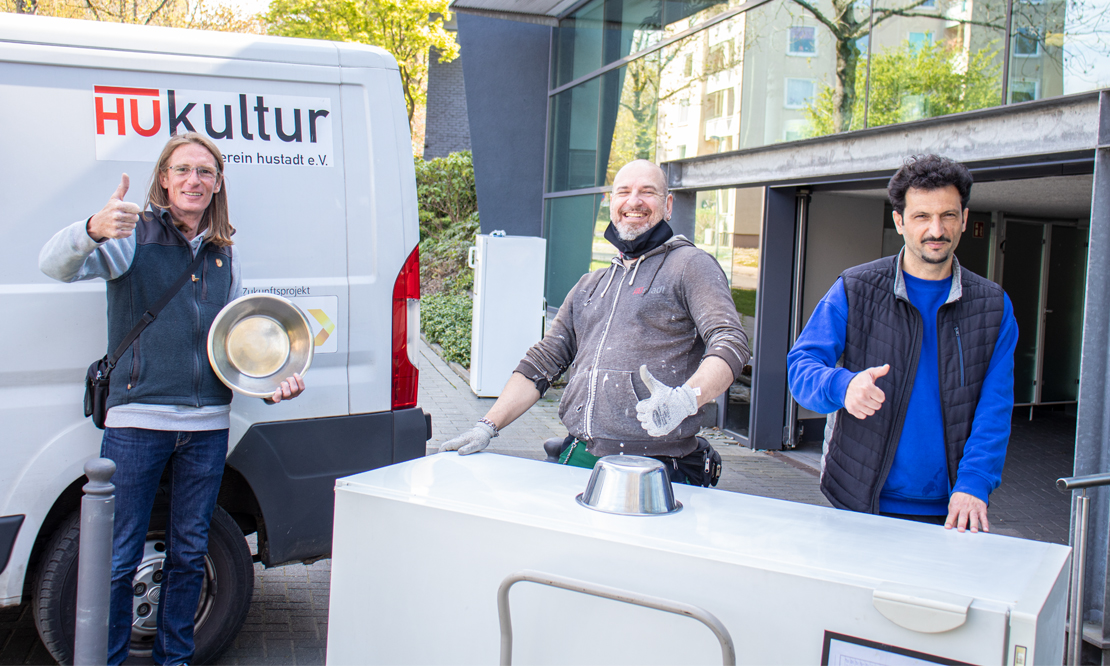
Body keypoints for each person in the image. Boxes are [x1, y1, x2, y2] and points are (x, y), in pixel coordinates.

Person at [39, 132, 305, 665]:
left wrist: (272, 386)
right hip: (137, 423)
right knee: (117, 558)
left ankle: (175, 659)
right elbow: (54, 265)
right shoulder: (130, 235)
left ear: (217, 183)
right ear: (164, 178)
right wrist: (90, 230)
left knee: (188, 554)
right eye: (182, 170)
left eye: (204, 172)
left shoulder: (224, 255)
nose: (194, 181)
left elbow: (241, 345)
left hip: (206, 425)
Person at [440, 160, 749, 482]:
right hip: (580, 452)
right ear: (611, 203)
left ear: (668, 205)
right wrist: (487, 426)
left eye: (648, 192)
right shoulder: (591, 283)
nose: (634, 202)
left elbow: (730, 343)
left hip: (655, 465)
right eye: (624, 192)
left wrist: (686, 399)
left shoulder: (690, 265)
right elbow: (542, 362)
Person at [787, 154, 1018, 533]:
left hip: (953, 510)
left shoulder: (993, 305)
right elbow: (801, 367)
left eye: (947, 215)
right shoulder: (856, 288)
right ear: (899, 221)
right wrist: (843, 386)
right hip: (857, 500)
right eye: (922, 216)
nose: (936, 229)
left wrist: (975, 483)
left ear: (964, 218)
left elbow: (995, 407)